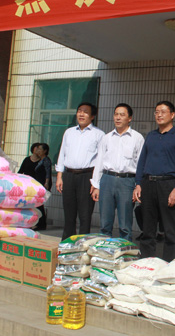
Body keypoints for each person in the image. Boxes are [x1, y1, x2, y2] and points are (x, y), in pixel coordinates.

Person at [133, 101, 175, 262]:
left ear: (172, 115)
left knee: (169, 229)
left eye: (163, 111)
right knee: (148, 229)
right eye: (157, 112)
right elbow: (142, 162)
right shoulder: (151, 136)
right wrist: (138, 183)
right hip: (148, 184)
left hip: (168, 185)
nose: (159, 115)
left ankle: (168, 264)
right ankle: (147, 262)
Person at [90, 103, 144, 241]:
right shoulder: (106, 138)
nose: (118, 118)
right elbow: (99, 162)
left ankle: (125, 250)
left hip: (127, 181)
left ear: (129, 118)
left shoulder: (137, 138)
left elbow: (141, 164)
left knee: (125, 224)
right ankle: (104, 250)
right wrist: (96, 185)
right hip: (107, 180)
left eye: (122, 115)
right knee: (105, 222)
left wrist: (138, 185)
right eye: (116, 114)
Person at [56, 103, 104, 239]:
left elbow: (100, 161)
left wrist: (96, 183)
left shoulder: (99, 134)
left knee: (85, 215)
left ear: (92, 116)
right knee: (69, 213)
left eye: (85, 112)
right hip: (69, 175)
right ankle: (67, 244)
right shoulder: (69, 132)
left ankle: (83, 245)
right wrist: (59, 176)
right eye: (79, 111)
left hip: (87, 176)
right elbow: (62, 154)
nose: (81, 114)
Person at [18, 143, 48, 230]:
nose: (38, 150)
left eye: (39, 149)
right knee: (28, 203)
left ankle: (41, 224)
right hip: (27, 184)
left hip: (37, 185)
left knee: (39, 204)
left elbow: (47, 173)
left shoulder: (42, 161)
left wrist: (46, 183)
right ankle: (29, 222)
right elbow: (21, 171)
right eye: (36, 148)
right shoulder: (27, 160)